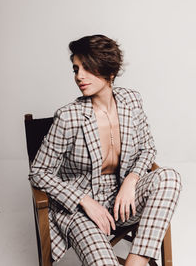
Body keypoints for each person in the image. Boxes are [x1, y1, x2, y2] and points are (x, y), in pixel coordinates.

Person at [29, 34, 182, 266]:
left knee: (169, 178)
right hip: (80, 211)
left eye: (87, 68)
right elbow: (38, 172)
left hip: (123, 199)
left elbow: (147, 148)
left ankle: (137, 261)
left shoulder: (131, 101)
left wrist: (131, 180)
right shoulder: (69, 117)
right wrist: (83, 201)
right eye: (75, 69)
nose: (79, 76)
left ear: (110, 72)